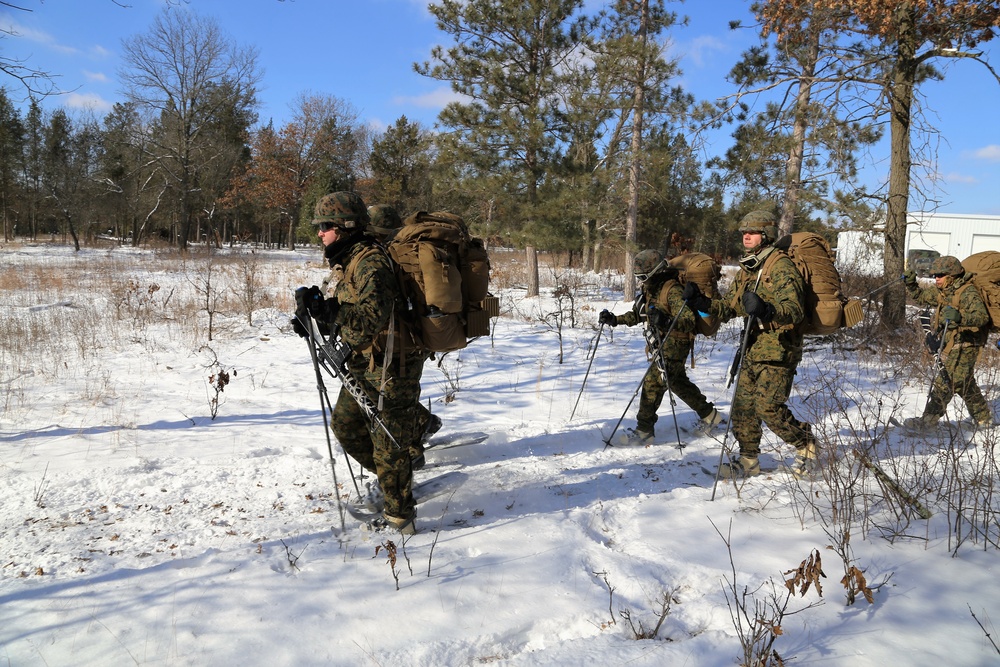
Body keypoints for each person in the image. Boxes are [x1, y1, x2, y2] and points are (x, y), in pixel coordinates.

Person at [294, 191, 422, 534]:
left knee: (387, 443)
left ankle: (401, 519)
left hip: (391, 365)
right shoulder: (349, 259)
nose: (319, 233)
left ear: (345, 227)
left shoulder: (370, 262)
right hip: (365, 363)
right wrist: (314, 317)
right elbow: (350, 311)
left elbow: (370, 320)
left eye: (325, 226)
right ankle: (398, 475)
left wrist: (330, 310)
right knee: (347, 426)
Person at [683, 210, 817, 479]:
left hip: (779, 349)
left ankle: (806, 445)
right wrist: (703, 303)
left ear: (765, 236)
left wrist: (768, 310)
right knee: (742, 408)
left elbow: (794, 310)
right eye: (744, 231)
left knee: (768, 407)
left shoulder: (780, 265)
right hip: (752, 347)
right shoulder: (748, 268)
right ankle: (748, 460)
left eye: (753, 232)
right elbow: (730, 308)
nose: (746, 236)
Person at [599, 249, 724, 446]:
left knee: (653, 384)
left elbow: (688, 321)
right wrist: (615, 319)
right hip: (661, 342)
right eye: (638, 276)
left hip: (676, 343)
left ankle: (644, 430)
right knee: (676, 382)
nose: (641, 280)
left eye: (644, 276)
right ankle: (710, 415)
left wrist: (665, 320)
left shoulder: (671, 289)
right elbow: (638, 315)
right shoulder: (651, 289)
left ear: (656, 272)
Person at [365, 203, 442, 469]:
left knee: (397, 400)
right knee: (400, 396)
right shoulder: (399, 255)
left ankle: (412, 450)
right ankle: (424, 424)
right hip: (412, 338)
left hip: (403, 342)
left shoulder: (390, 258)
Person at [902, 255, 995, 431]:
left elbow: (982, 317)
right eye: (935, 275)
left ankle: (928, 420)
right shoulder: (943, 291)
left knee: (946, 379)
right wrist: (911, 284)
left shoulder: (968, 292)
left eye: (940, 275)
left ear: (951, 276)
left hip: (968, 343)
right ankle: (984, 418)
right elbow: (921, 297)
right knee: (964, 382)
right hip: (953, 343)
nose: (936, 278)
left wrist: (961, 318)